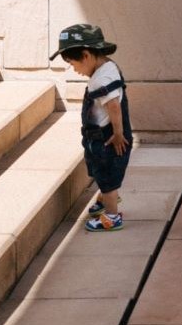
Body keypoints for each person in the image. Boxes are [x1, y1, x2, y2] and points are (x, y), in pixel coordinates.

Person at [50, 24, 132, 232]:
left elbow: (114, 107)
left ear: (86, 55)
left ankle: (112, 216)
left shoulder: (100, 80)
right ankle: (106, 199)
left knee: (107, 174)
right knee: (101, 171)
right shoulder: (108, 67)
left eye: (73, 63)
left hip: (107, 137)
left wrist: (118, 134)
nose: (74, 69)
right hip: (101, 135)